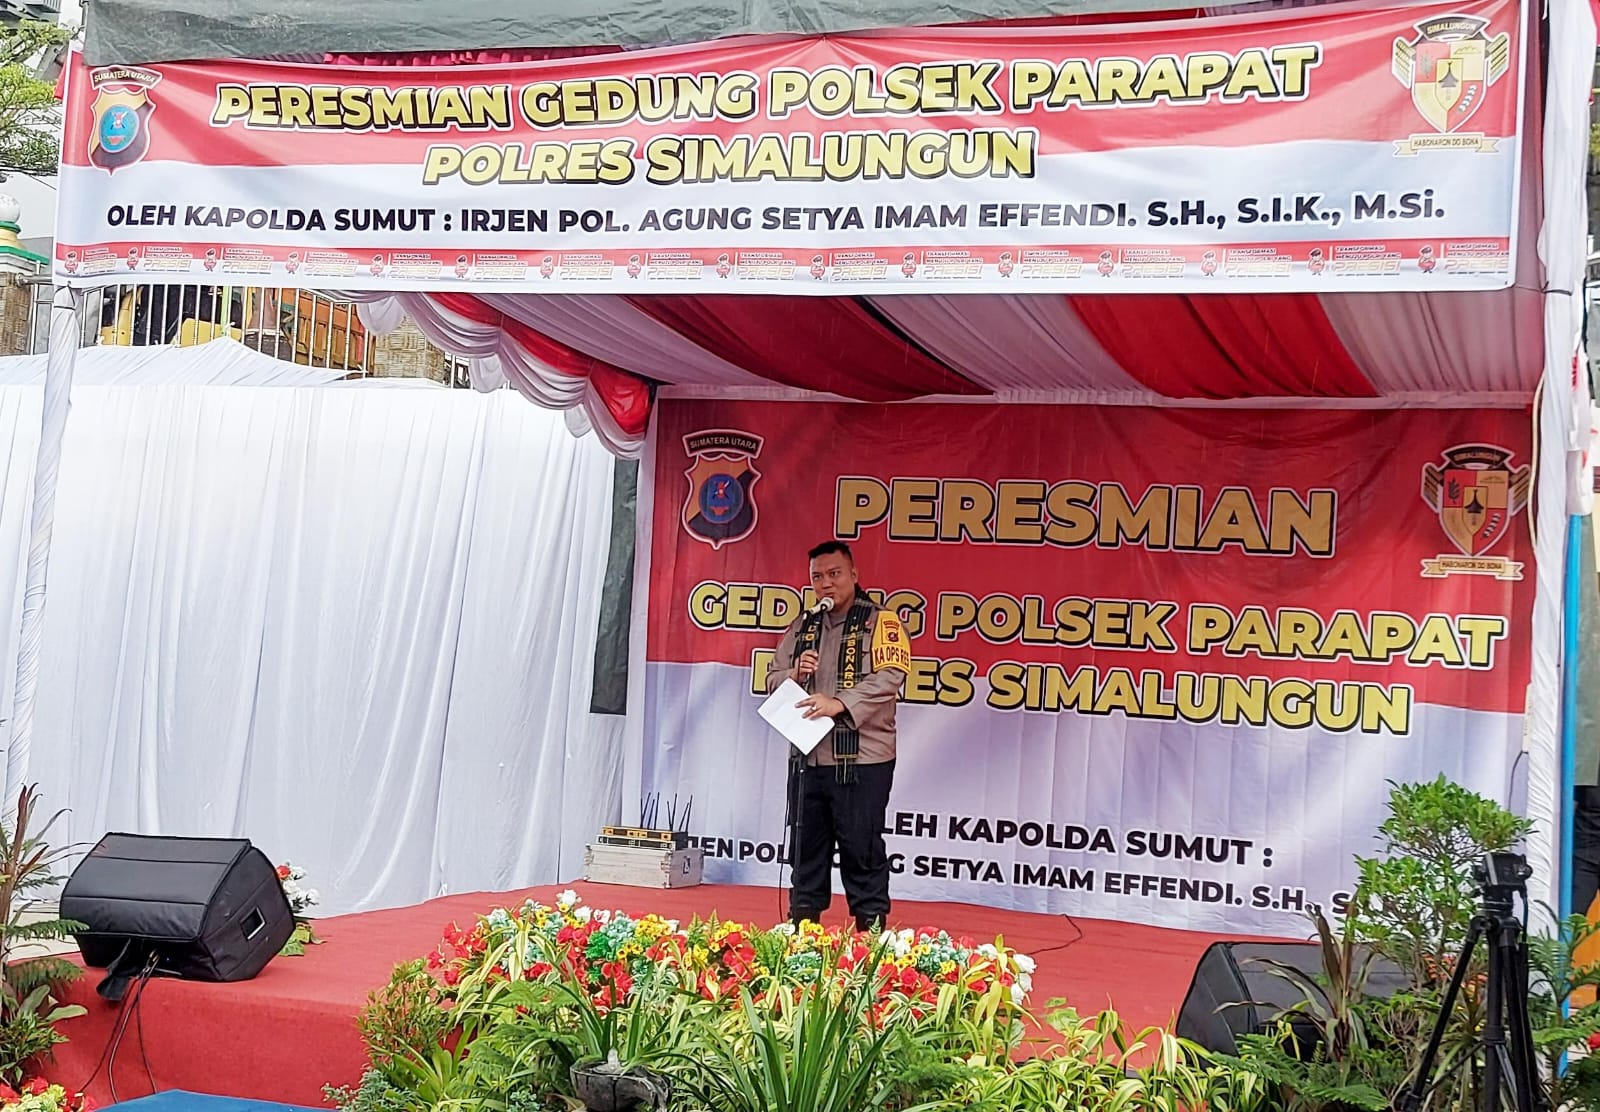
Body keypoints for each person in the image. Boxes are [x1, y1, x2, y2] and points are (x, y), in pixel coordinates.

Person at [764, 541, 909, 931]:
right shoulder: (804, 625)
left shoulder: (882, 622)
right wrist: (794, 673)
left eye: (834, 574)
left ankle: (869, 938)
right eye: (818, 577)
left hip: (863, 759)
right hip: (808, 756)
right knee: (805, 851)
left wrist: (839, 703)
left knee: (862, 849)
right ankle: (802, 935)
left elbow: (890, 678)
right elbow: (772, 678)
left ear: (854, 575)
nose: (826, 583)